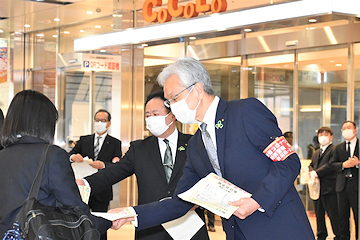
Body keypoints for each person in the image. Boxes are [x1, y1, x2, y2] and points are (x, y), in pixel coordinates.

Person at [111, 57, 315, 240]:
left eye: (174, 98)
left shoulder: (244, 112)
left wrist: (257, 201)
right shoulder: (196, 144)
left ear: (197, 89)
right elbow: (181, 200)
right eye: (169, 101)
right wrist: (132, 213)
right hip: (238, 232)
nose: (172, 106)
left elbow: (288, 162)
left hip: (280, 228)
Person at [77, 91, 209, 240]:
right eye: (147, 115)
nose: (150, 119)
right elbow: (113, 172)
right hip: (151, 228)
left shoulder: (194, 144)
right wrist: (86, 182)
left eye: (155, 114)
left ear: (172, 116)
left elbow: (208, 178)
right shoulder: (139, 149)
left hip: (189, 226)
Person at [0, 90, 113, 236]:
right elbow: (75, 208)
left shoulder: (3, 155)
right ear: (43, 123)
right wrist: (108, 221)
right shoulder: (51, 155)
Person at [69, 109, 122, 240]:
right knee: (81, 222)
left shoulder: (115, 143)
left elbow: (119, 165)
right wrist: (74, 157)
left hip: (102, 190)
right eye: (97, 120)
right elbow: (70, 154)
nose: (99, 123)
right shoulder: (84, 140)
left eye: (103, 121)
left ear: (109, 123)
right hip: (83, 189)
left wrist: (103, 165)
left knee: (101, 225)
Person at [308, 126, 340, 240]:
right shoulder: (316, 152)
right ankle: (321, 235)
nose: (323, 137)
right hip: (317, 188)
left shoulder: (334, 150)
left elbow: (331, 165)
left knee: (333, 214)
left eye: (326, 135)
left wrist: (316, 173)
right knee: (319, 213)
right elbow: (311, 165)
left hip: (329, 187)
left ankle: (338, 235)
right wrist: (311, 171)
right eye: (321, 135)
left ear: (331, 137)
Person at [330, 121, 359, 240]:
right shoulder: (339, 147)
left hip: (357, 186)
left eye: (349, 128)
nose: (346, 130)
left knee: (358, 216)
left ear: (355, 130)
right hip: (342, 186)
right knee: (342, 216)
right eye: (344, 129)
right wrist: (343, 165)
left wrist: (358, 164)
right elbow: (332, 164)